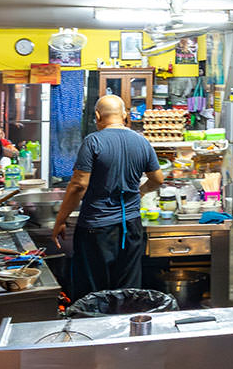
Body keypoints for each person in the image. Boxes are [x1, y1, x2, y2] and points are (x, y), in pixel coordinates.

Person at [52, 94, 164, 296]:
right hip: (131, 227)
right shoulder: (142, 142)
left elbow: (78, 185)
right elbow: (157, 180)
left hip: (96, 229)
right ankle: (125, 326)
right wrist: (140, 192)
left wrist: (61, 219)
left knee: (94, 293)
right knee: (128, 291)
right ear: (125, 115)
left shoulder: (93, 141)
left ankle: (94, 327)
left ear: (97, 115)